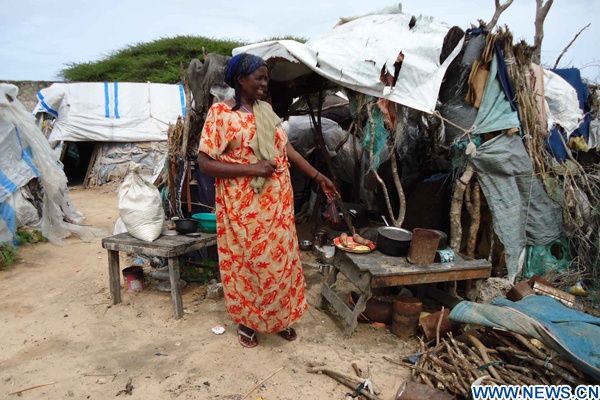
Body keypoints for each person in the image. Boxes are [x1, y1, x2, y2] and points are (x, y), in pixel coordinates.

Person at [197, 53, 339, 348]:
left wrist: (319, 177)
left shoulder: (266, 111)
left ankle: (279, 318)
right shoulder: (221, 115)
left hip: (277, 206)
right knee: (249, 266)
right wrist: (252, 168)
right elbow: (205, 163)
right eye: (258, 78)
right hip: (243, 208)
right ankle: (248, 322)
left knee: (281, 264)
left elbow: (288, 152)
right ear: (240, 80)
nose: (264, 83)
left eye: (265, 78)